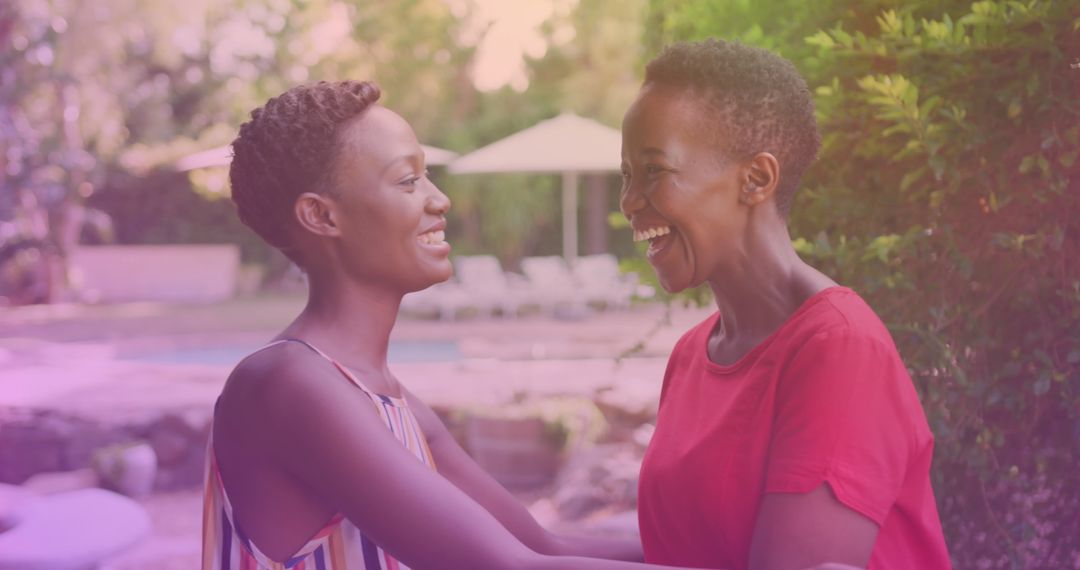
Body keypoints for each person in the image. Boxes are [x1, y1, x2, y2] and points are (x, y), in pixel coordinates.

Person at [204, 80, 705, 570]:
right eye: (407, 181)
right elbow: (508, 565)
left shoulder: (387, 400)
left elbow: (544, 547)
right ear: (321, 216)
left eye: (427, 176)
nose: (440, 200)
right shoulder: (289, 384)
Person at [619, 39, 951, 570]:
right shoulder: (691, 354)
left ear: (756, 179)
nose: (630, 201)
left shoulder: (840, 348)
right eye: (626, 175)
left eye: (653, 170)